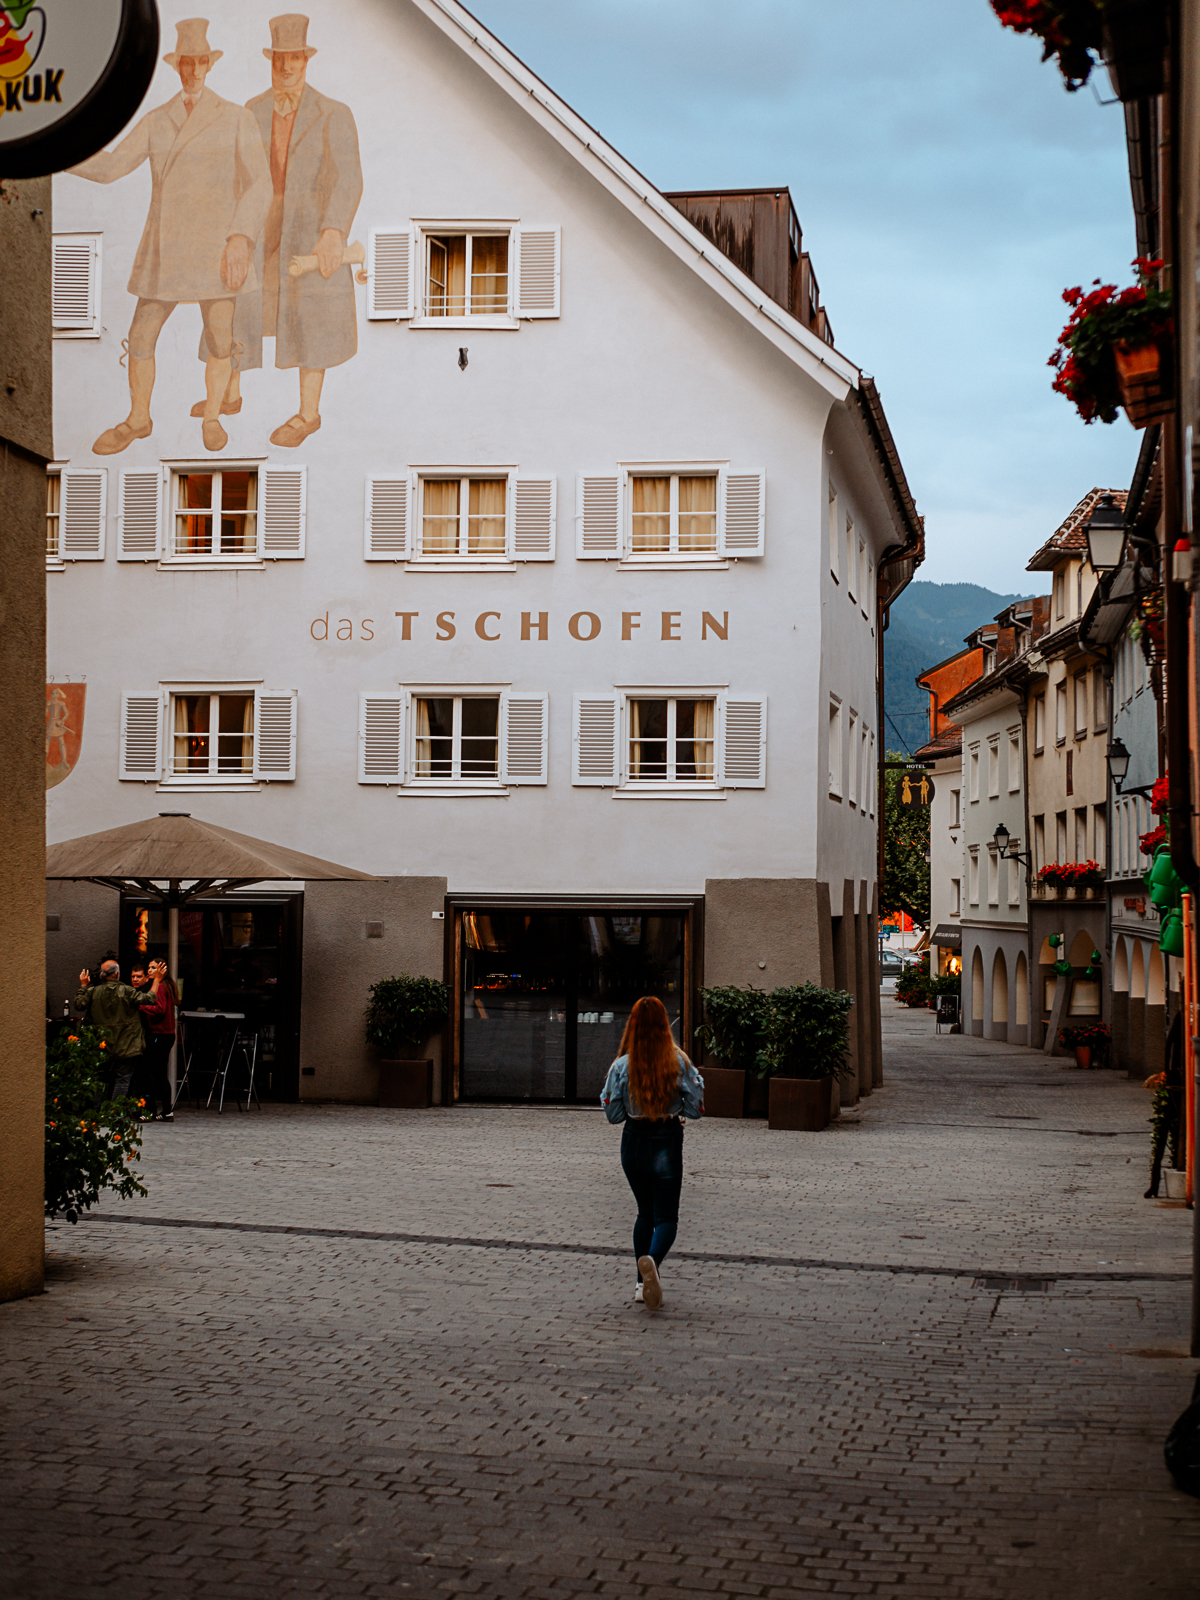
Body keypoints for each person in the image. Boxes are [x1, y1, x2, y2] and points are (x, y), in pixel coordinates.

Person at [69, 18, 272, 454]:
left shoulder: (236, 117)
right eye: (187, 63)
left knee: (220, 336)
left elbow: (261, 184)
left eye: (201, 62)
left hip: (217, 249)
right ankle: (138, 418)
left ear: (209, 64)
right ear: (177, 67)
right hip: (165, 250)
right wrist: (61, 152)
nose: (194, 70)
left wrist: (240, 238)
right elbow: (110, 167)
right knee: (141, 336)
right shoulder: (157, 121)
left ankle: (214, 416)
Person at [203, 14, 363, 447]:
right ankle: (230, 393)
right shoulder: (250, 112)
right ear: (271, 61)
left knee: (312, 315)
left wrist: (333, 231)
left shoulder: (334, 113)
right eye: (280, 59)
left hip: (308, 228)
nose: (287, 67)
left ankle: (308, 414)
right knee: (238, 300)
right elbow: (233, 174)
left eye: (295, 58)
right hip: (257, 224)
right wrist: (234, 233)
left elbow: (348, 178)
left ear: (306, 60)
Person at [601, 996, 704, 1310]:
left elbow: (613, 1114)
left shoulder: (622, 1065)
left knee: (644, 1213)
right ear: (664, 1025)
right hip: (666, 1139)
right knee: (666, 1218)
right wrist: (679, 1107)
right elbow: (697, 1106)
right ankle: (652, 1263)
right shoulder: (678, 1061)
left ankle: (638, 1283)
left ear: (632, 1026)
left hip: (633, 1141)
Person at [74, 961, 153, 1103]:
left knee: (99, 1078)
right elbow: (150, 998)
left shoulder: (93, 992)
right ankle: (116, 1112)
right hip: (126, 1043)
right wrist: (158, 980)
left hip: (102, 1043)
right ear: (117, 974)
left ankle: (98, 1111)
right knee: (122, 1080)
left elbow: (79, 1004)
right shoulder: (127, 991)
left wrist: (84, 985)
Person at [136, 960, 179, 1122]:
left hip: (158, 1034)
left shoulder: (160, 986)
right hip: (167, 1034)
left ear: (162, 970)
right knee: (161, 1073)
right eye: (149, 967)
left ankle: (149, 1110)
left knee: (148, 1073)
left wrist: (140, 1006)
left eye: (153, 967)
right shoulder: (169, 985)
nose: (150, 970)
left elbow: (160, 1009)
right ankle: (167, 1110)